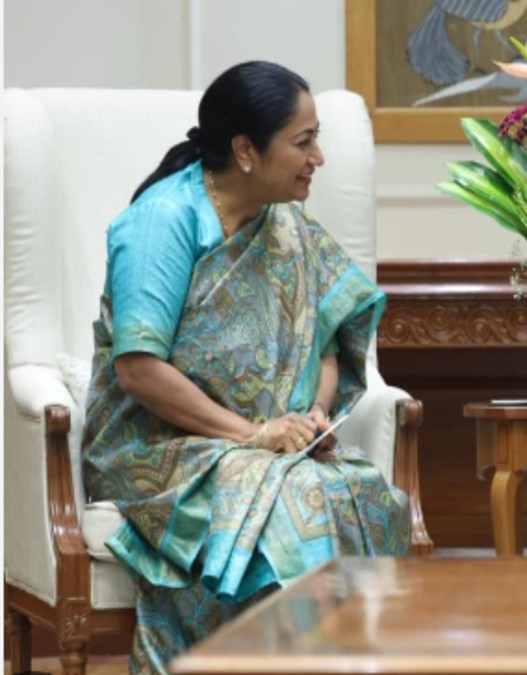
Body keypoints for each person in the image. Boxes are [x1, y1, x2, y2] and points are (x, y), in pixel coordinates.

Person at [82, 61, 410, 673]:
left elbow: (327, 346)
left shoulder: (285, 224)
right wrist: (255, 435)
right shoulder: (164, 221)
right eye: (303, 141)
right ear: (245, 150)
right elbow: (138, 369)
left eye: (318, 139)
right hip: (155, 445)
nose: (319, 158)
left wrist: (312, 417)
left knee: (361, 491)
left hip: (268, 447)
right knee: (300, 503)